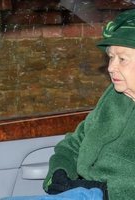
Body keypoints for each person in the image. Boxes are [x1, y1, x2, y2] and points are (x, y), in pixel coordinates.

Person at [43, 9, 135, 200]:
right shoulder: (114, 97)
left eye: (122, 59)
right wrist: (59, 173)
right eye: (110, 57)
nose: (111, 67)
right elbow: (74, 143)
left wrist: (105, 192)